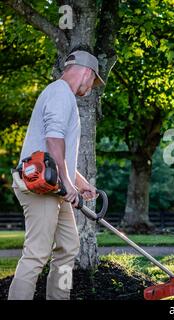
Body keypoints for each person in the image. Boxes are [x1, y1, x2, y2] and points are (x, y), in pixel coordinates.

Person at [8, 50, 105, 300]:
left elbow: (57, 155)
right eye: (93, 82)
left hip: (53, 187)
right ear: (88, 72)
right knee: (37, 253)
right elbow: (54, 140)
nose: (91, 88)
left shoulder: (62, 96)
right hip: (38, 186)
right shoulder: (61, 92)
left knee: (68, 247)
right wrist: (69, 184)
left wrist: (80, 184)